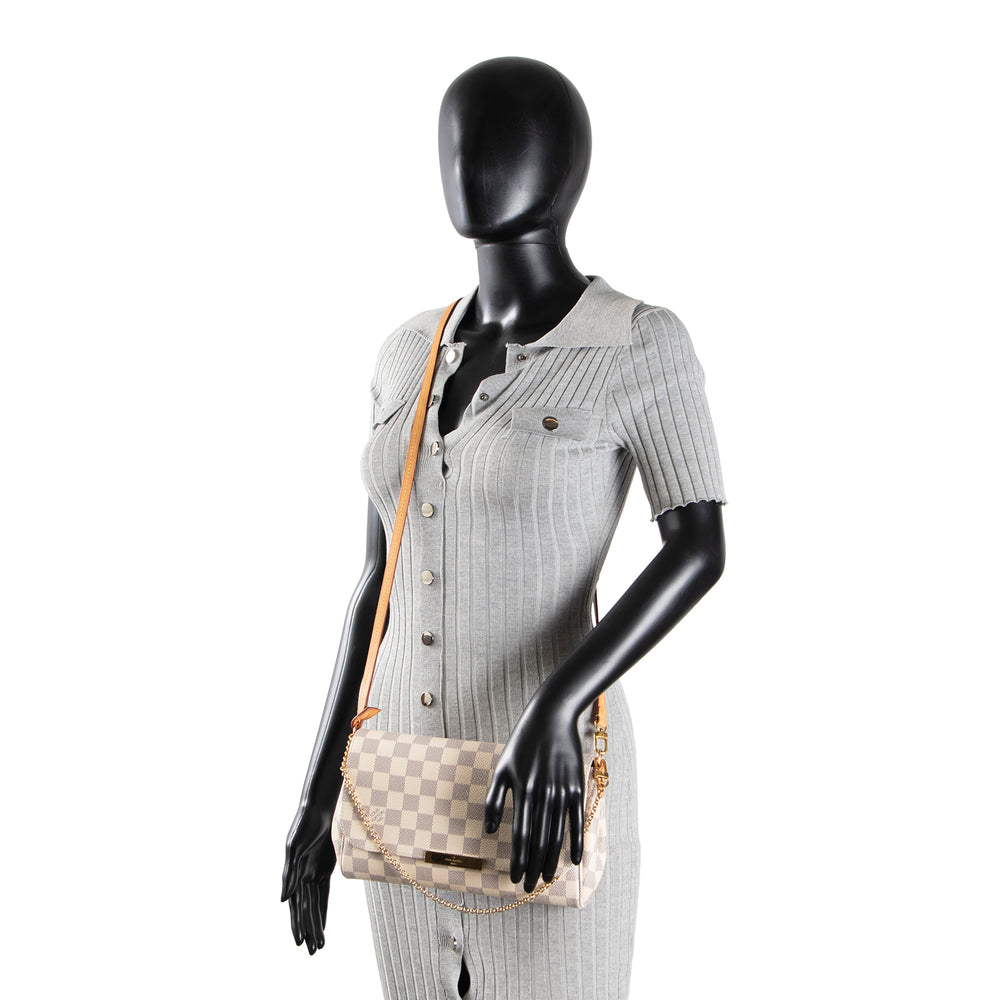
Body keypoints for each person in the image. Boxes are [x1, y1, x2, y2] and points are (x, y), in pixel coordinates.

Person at [282, 55, 728, 1000]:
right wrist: (321, 790)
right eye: (454, 141)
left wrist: (562, 700)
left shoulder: (637, 343)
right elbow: (376, 584)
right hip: (397, 788)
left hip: (541, 784)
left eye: (499, 142)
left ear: (565, 167)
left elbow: (698, 545)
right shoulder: (408, 352)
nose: (468, 164)